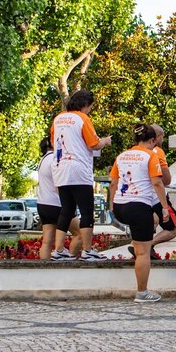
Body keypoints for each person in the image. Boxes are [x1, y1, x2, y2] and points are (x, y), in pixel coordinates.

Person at [109, 123, 169, 302]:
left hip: (120, 205)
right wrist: (165, 207)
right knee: (143, 252)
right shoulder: (150, 156)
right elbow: (158, 183)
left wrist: (111, 206)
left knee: (149, 223)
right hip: (138, 205)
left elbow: (113, 182)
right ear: (152, 140)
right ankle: (142, 292)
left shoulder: (121, 156)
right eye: (154, 143)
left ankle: (151, 219)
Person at [50, 90, 112, 261]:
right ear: (85, 104)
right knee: (86, 211)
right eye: (90, 107)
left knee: (66, 210)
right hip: (79, 170)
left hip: (61, 169)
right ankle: (87, 250)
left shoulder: (58, 119)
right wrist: (105, 141)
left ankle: (59, 250)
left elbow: (53, 141)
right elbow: (94, 144)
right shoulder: (83, 119)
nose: (90, 110)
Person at [36, 135, 82, 260]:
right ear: (52, 144)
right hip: (57, 204)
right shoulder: (55, 159)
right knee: (81, 233)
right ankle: (69, 260)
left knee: (47, 241)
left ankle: (44, 269)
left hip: (43, 204)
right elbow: (59, 183)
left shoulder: (43, 159)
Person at [145, 124, 176, 258]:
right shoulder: (157, 152)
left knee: (152, 221)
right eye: (162, 137)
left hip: (139, 197)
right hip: (157, 196)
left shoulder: (133, 151)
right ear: (157, 138)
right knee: (173, 229)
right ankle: (147, 245)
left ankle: (145, 249)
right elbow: (166, 180)